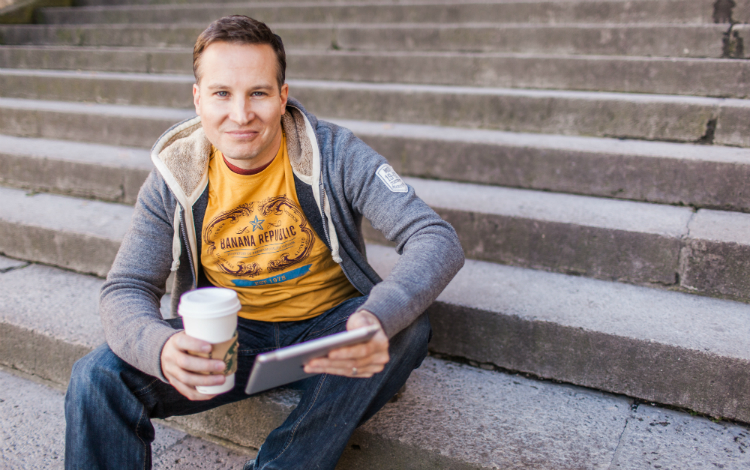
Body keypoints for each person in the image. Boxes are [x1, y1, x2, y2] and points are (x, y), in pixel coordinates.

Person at [64, 15, 464, 470]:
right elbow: (127, 286)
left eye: (257, 92)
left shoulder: (336, 153)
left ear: (282, 96)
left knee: (406, 328)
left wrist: (379, 313)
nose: (240, 114)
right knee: (97, 376)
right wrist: (158, 346)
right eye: (221, 94)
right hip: (230, 338)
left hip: (331, 332)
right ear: (198, 99)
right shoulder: (174, 177)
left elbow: (435, 237)